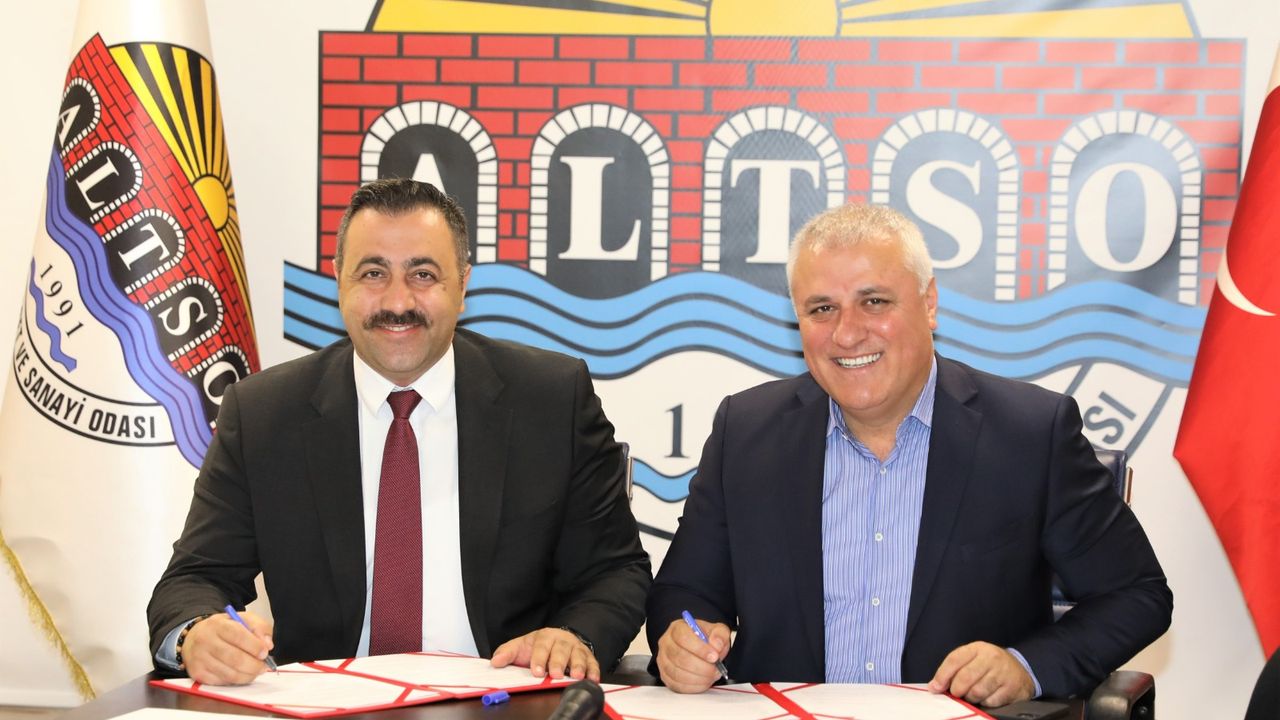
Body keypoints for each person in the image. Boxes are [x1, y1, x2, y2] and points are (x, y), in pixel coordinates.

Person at [646, 203, 1172, 706]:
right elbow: (684, 592)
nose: (847, 333)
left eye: (874, 302)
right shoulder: (745, 432)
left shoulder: (1032, 434)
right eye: (822, 309)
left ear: (929, 303)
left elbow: (1137, 594)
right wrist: (683, 644)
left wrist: (1026, 668)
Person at [148, 178, 650, 686]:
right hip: (327, 705)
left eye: (423, 274)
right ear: (339, 281)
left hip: (506, 701)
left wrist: (573, 637)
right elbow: (194, 579)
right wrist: (197, 634)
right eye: (373, 273)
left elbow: (615, 571)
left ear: (463, 285)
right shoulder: (263, 414)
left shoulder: (551, 400)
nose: (397, 301)